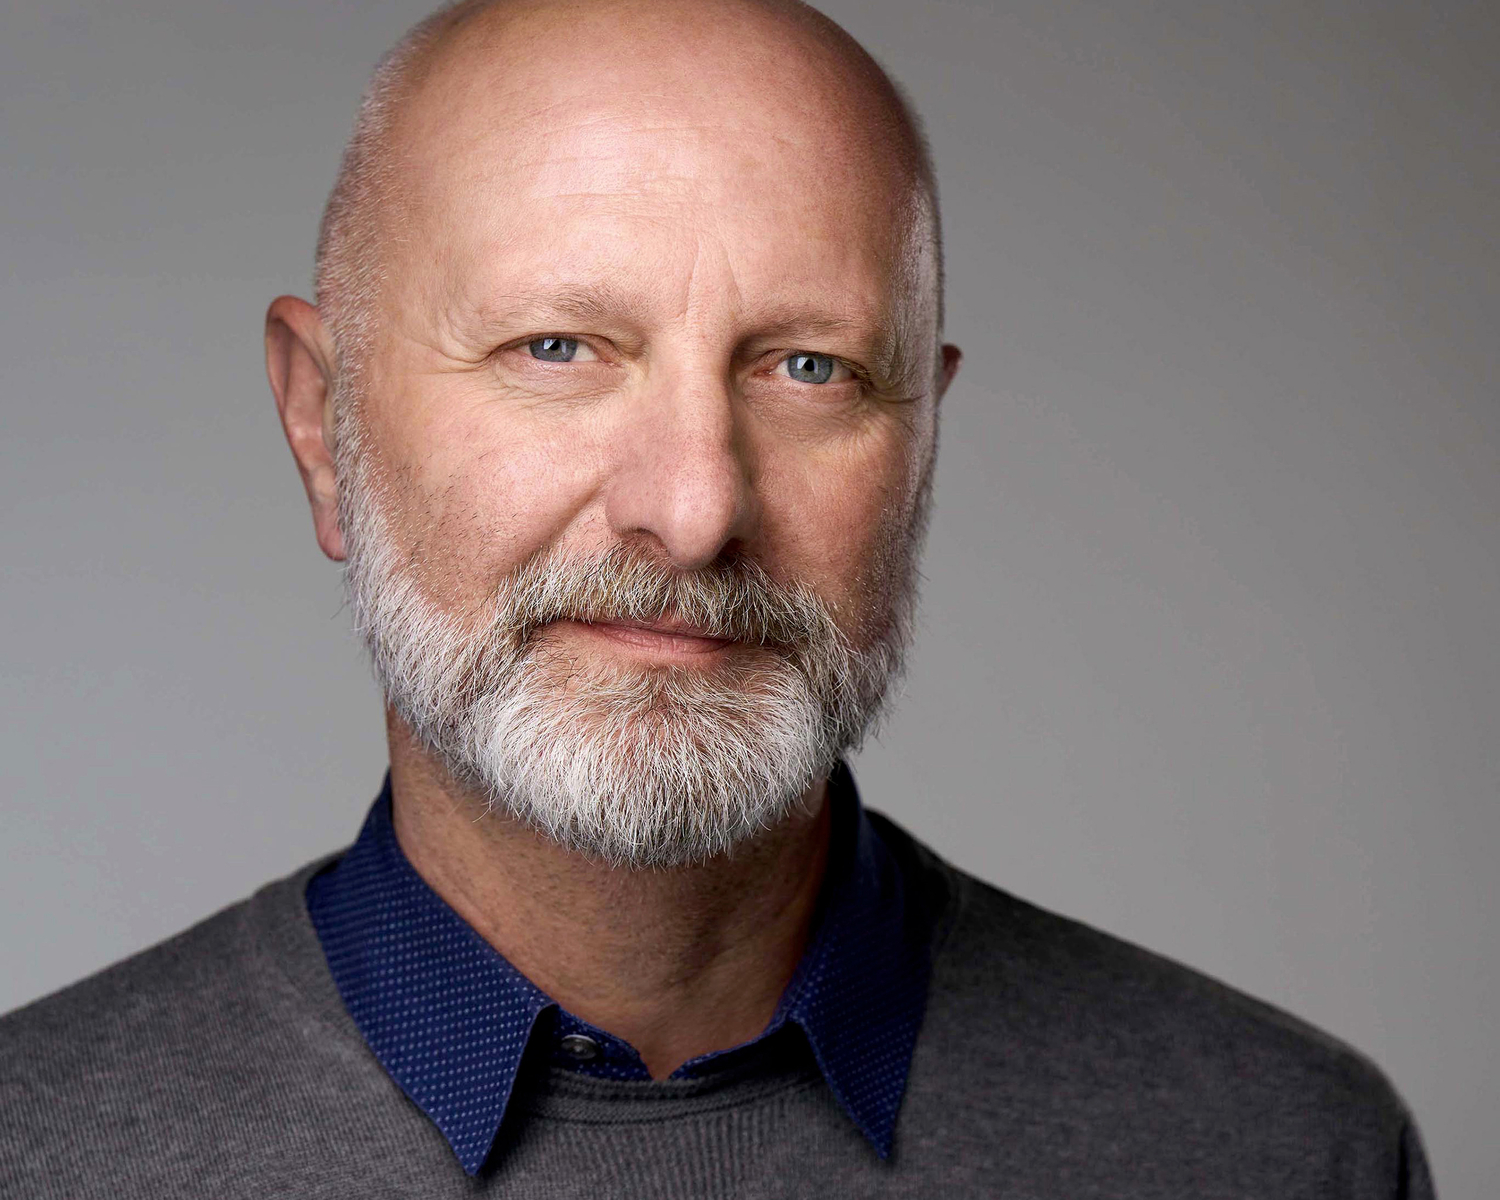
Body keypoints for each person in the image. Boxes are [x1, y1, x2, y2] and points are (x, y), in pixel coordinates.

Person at [0, 0, 1435, 1195]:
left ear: (923, 446)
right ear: (324, 427)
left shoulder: (1283, 1150)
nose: (692, 512)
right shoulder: (40, 1150)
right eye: (557, 347)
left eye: (811, 369)